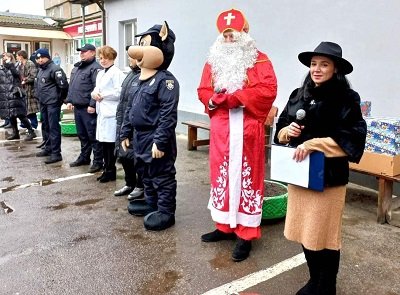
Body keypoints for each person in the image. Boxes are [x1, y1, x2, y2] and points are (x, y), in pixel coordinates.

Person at [273, 41, 367, 294]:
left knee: (324, 234)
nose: (317, 69)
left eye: (324, 64)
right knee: (305, 230)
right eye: (314, 64)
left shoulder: (347, 98)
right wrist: (286, 132)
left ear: (335, 69)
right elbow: (280, 128)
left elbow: (354, 136)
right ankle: (315, 279)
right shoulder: (298, 95)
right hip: (299, 174)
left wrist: (315, 143)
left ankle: (327, 284)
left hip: (328, 177)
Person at [197, 8, 277, 262]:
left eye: (234, 35)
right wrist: (214, 99)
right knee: (221, 176)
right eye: (226, 36)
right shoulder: (213, 61)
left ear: (245, 33)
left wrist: (238, 97)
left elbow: (268, 89)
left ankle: (246, 233)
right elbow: (203, 89)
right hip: (222, 128)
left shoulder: (260, 60)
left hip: (247, 128)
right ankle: (224, 226)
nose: (230, 40)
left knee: (247, 178)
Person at [122, 21, 179, 231]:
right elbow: (131, 108)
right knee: (145, 172)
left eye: (146, 45)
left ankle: (165, 211)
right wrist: (125, 132)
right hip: (139, 136)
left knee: (161, 175)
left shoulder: (166, 81)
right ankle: (151, 204)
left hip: (155, 136)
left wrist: (160, 141)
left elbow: (167, 114)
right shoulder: (139, 79)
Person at [66, 44, 103, 173]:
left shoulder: (95, 68)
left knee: (92, 135)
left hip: (88, 108)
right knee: (82, 135)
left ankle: (98, 161)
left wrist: (92, 105)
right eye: (81, 52)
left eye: (84, 52)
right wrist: (69, 100)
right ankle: (84, 157)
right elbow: (72, 86)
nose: (81, 54)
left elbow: (97, 87)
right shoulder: (78, 67)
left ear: (93, 53)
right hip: (78, 107)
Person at [91, 45, 125, 183]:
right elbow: (96, 89)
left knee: (110, 144)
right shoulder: (100, 73)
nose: (103, 61)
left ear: (112, 58)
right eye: (101, 58)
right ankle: (106, 168)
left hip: (111, 112)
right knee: (103, 143)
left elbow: (119, 93)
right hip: (102, 111)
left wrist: (103, 95)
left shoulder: (117, 73)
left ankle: (111, 170)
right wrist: (94, 94)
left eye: (105, 58)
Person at [113, 54, 144, 199]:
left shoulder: (144, 76)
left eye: (132, 57)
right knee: (124, 155)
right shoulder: (130, 75)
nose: (129, 60)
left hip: (134, 123)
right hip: (123, 121)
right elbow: (123, 100)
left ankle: (140, 186)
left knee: (136, 157)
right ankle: (129, 183)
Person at [35, 48, 69, 164]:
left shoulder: (55, 69)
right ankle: (48, 148)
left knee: (53, 127)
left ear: (48, 57)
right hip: (43, 102)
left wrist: (59, 100)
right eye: (38, 58)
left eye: (42, 58)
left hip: (52, 103)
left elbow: (63, 86)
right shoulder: (41, 69)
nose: (40, 60)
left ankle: (56, 153)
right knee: (45, 126)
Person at [1, 52, 37, 141]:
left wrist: (10, 65)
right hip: (6, 94)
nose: (4, 59)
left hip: (15, 93)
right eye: (3, 58)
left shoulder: (17, 66)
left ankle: (31, 131)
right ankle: (15, 133)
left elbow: (18, 75)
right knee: (11, 115)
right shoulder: (2, 68)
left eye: (6, 57)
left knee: (20, 114)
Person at [16, 50, 39, 130]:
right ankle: (25, 124)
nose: (16, 57)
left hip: (30, 90)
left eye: (17, 56)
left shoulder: (30, 63)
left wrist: (24, 80)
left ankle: (34, 124)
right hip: (23, 90)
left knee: (31, 109)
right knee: (24, 108)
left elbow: (33, 76)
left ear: (21, 56)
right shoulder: (20, 64)